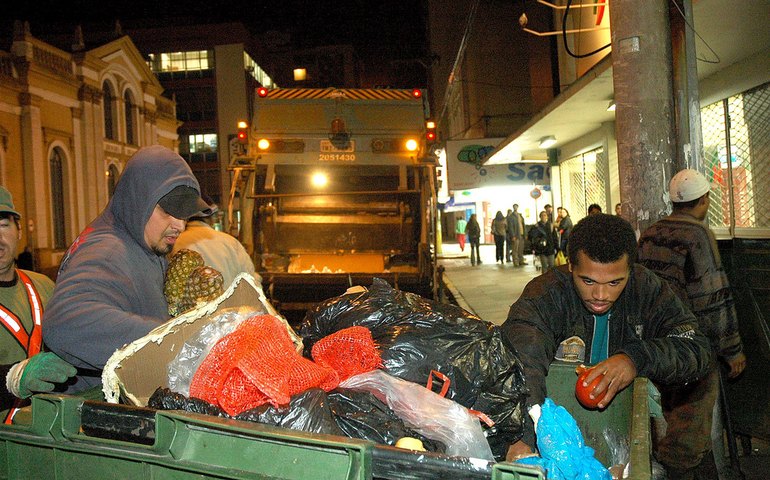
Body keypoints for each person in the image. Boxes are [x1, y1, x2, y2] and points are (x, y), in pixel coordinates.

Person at [501, 213, 711, 461]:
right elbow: (522, 359)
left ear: (630, 271)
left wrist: (635, 358)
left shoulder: (646, 290)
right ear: (571, 266)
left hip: (621, 433)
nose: (600, 295)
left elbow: (695, 347)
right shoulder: (545, 296)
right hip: (553, 430)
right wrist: (523, 437)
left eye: (614, 282)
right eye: (588, 281)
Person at [42, 145, 212, 392]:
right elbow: (65, 322)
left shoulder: (143, 244)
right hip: (93, 405)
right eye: (168, 211)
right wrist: (175, 338)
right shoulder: (108, 250)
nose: (180, 226)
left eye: (184, 215)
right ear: (139, 201)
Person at [638, 169, 745, 479]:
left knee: (668, 421)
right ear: (704, 200)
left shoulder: (650, 233)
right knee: (689, 431)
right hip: (691, 348)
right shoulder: (698, 235)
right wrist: (732, 349)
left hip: (657, 345)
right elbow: (712, 298)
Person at [0, 186, 76, 422]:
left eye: (3, 226)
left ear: (19, 230)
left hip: (47, 431)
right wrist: (13, 378)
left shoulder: (43, 286)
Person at [171, 200, 260, 289]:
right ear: (210, 218)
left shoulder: (175, 242)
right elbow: (252, 283)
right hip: (232, 298)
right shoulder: (230, 242)